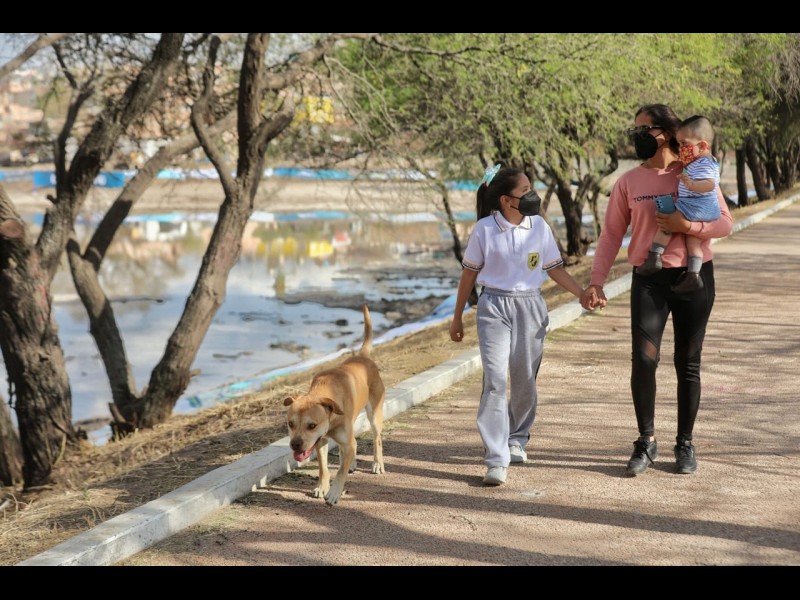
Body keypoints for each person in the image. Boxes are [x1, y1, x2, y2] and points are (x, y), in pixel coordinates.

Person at [580, 104, 733, 476]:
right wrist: (596, 280)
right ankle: (646, 441)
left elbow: (725, 223)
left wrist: (687, 226)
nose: (637, 136)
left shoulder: (694, 171)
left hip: (695, 278)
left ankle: (685, 443)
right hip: (649, 280)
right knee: (644, 360)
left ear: (665, 133)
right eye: (635, 130)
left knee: (688, 361)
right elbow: (610, 236)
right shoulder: (628, 182)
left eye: (643, 129)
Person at [449, 164, 589, 486]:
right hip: (493, 307)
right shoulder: (484, 229)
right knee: (496, 380)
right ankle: (496, 458)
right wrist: (457, 317)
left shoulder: (539, 226)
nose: (531, 195)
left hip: (530, 306)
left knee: (524, 378)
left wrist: (581, 293)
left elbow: (554, 269)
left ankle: (516, 438)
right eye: (524, 191)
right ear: (505, 200)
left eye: (531, 188)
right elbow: (469, 275)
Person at [637, 115, 721, 293]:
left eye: (684, 143)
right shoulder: (698, 161)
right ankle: (693, 275)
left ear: (702, 146)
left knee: (666, 214)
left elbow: (710, 184)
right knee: (693, 243)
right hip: (700, 207)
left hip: (696, 206)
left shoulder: (705, 163)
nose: (681, 148)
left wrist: (691, 185)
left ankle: (655, 256)